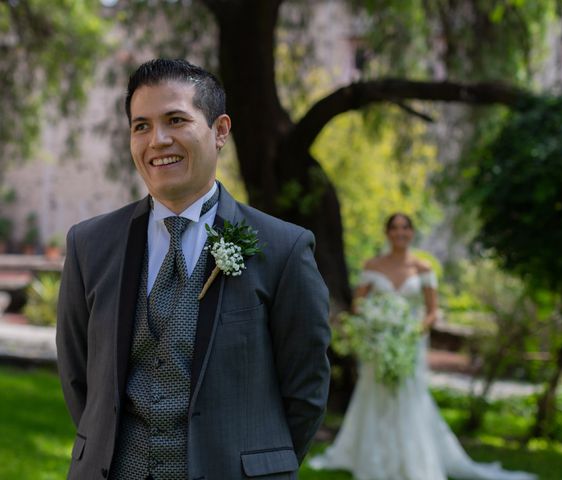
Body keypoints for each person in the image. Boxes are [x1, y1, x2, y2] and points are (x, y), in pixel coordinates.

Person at [56, 58, 331, 480]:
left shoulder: (284, 249)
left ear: (220, 130)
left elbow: (306, 389)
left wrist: (255, 464)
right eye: (141, 126)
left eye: (176, 120)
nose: (157, 140)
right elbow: (78, 378)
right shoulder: (89, 245)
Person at [310, 213, 537, 480]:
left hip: (410, 344)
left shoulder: (423, 269)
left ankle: (413, 459)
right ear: (387, 233)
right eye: (394, 228)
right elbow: (358, 304)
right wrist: (376, 321)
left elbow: (432, 312)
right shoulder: (373, 265)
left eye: (405, 228)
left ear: (412, 233)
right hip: (380, 342)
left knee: (408, 397)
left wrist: (412, 331)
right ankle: (372, 457)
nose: (400, 232)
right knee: (375, 394)